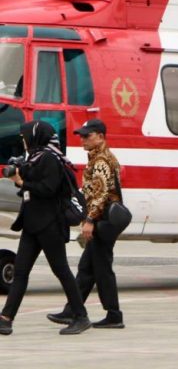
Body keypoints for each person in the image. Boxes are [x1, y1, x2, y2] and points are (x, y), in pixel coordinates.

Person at [0, 121, 91, 336]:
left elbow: (48, 190)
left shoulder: (50, 159)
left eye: (24, 137)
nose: (22, 141)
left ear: (34, 137)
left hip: (50, 225)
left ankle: (81, 316)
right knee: (21, 272)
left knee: (61, 271)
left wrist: (22, 183)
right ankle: (6, 318)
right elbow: (32, 186)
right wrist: (19, 179)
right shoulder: (34, 158)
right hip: (33, 224)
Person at [47, 119, 126, 329]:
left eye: (87, 136)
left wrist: (89, 220)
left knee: (101, 268)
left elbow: (100, 195)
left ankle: (114, 315)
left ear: (100, 136)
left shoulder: (101, 161)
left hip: (101, 221)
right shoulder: (100, 158)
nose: (82, 140)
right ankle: (73, 309)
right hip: (101, 220)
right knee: (88, 268)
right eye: (81, 136)